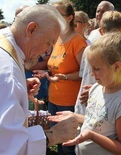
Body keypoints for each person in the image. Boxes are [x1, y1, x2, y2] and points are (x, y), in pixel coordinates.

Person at [0, 4, 78, 155]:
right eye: (49, 42)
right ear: (31, 29)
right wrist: (53, 135)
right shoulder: (5, 70)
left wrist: (18, 87)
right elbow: (5, 147)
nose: (48, 51)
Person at [49, 33, 121, 155]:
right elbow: (97, 121)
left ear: (116, 67)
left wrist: (92, 136)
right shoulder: (96, 88)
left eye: (97, 69)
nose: (92, 74)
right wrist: (75, 116)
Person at [34, 1, 87, 154]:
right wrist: (46, 74)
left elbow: (84, 73)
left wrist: (64, 77)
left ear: (69, 18)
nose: (53, 18)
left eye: (57, 14)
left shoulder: (78, 42)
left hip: (69, 103)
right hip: (54, 100)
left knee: (68, 146)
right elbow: (55, 67)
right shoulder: (57, 40)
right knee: (57, 142)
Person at [75, 10, 121, 115]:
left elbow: (83, 75)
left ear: (101, 31)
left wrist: (94, 89)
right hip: (96, 105)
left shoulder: (89, 49)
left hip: (96, 104)